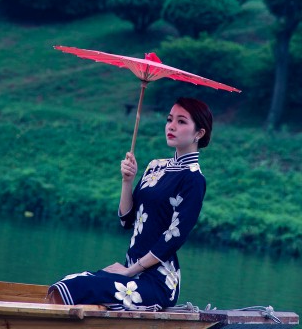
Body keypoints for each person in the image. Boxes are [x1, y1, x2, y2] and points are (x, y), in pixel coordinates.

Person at [46, 97, 213, 310]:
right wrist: (127, 181)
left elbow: (174, 237)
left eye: (181, 121)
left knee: (78, 287)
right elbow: (127, 220)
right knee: (69, 282)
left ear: (199, 133)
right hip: (130, 272)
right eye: (169, 119)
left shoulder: (193, 179)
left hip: (157, 282)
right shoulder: (156, 166)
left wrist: (130, 271)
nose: (171, 126)